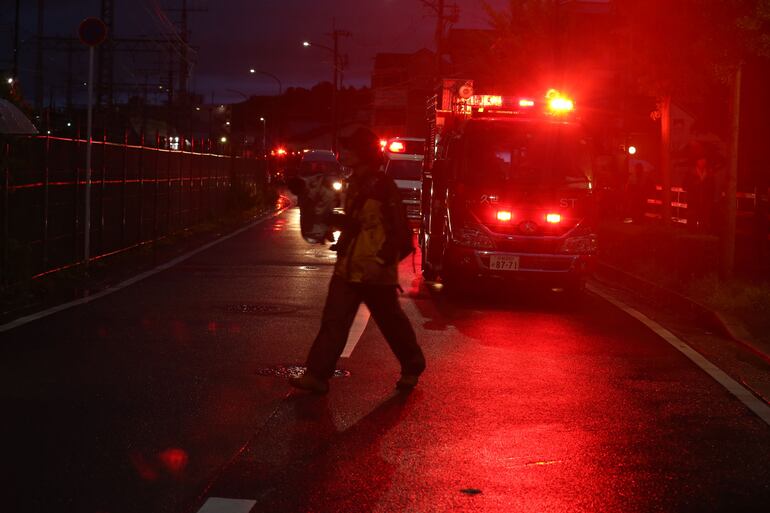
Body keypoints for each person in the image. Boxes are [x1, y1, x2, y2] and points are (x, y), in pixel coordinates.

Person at [289, 127, 425, 394]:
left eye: (350, 149)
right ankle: (316, 375)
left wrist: (383, 259)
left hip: (374, 270)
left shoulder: (382, 186)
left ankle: (413, 365)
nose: (345, 153)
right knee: (334, 321)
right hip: (350, 266)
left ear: (363, 153)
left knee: (390, 322)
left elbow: (400, 232)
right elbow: (354, 220)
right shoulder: (355, 182)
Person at [684, 157, 716, 232]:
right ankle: (691, 241)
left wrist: (711, 201)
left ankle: (703, 241)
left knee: (704, 224)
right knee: (691, 224)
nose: (702, 162)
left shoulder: (709, 174)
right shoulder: (690, 173)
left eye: (704, 159)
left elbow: (712, 189)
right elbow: (684, 186)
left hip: (705, 203)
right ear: (696, 161)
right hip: (693, 202)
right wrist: (694, 184)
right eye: (700, 159)